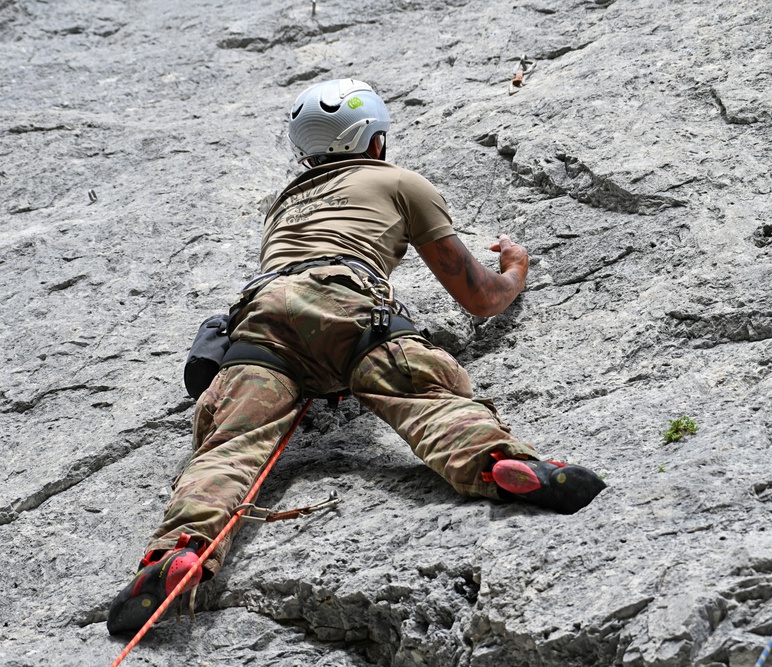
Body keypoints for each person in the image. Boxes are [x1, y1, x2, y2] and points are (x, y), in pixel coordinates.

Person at [107, 78, 606, 636]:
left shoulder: (285, 203)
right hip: (345, 307)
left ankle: (178, 553)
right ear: (374, 142)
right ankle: (494, 463)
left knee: (229, 448)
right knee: (420, 395)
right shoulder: (398, 181)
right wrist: (515, 268)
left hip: (259, 325)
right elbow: (480, 298)